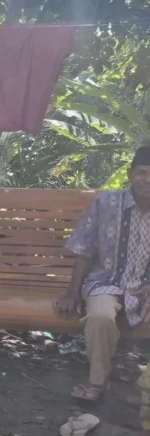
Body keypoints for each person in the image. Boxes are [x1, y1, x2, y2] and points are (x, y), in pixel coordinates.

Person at [56, 146, 150, 403]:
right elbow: (84, 249)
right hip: (107, 281)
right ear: (131, 174)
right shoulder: (105, 203)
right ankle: (98, 380)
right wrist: (72, 291)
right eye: (142, 172)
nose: (147, 179)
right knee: (99, 317)